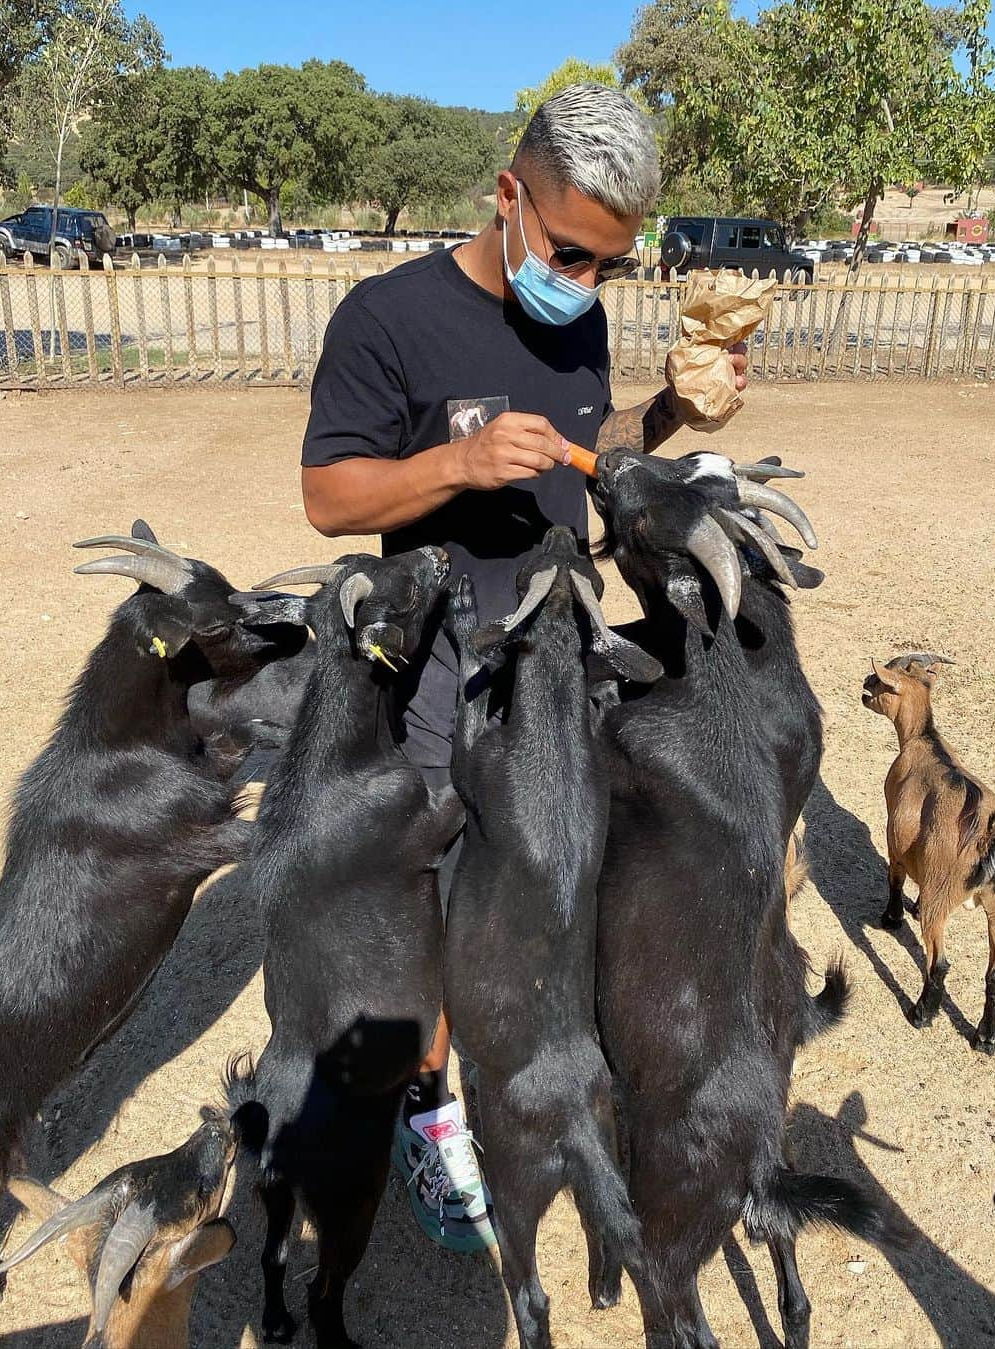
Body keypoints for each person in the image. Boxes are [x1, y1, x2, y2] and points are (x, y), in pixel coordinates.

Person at [300, 82, 748, 1253]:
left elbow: (579, 469)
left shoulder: (580, 320)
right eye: (570, 252)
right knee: (437, 896)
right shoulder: (388, 317)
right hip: (445, 659)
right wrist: (453, 463)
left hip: (563, 645)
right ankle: (432, 1109)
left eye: (610, 264)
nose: (586, 284)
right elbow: (328, 495)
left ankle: (553, 1076)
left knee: (558, 874)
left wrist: (666, 415)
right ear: (507, 195)